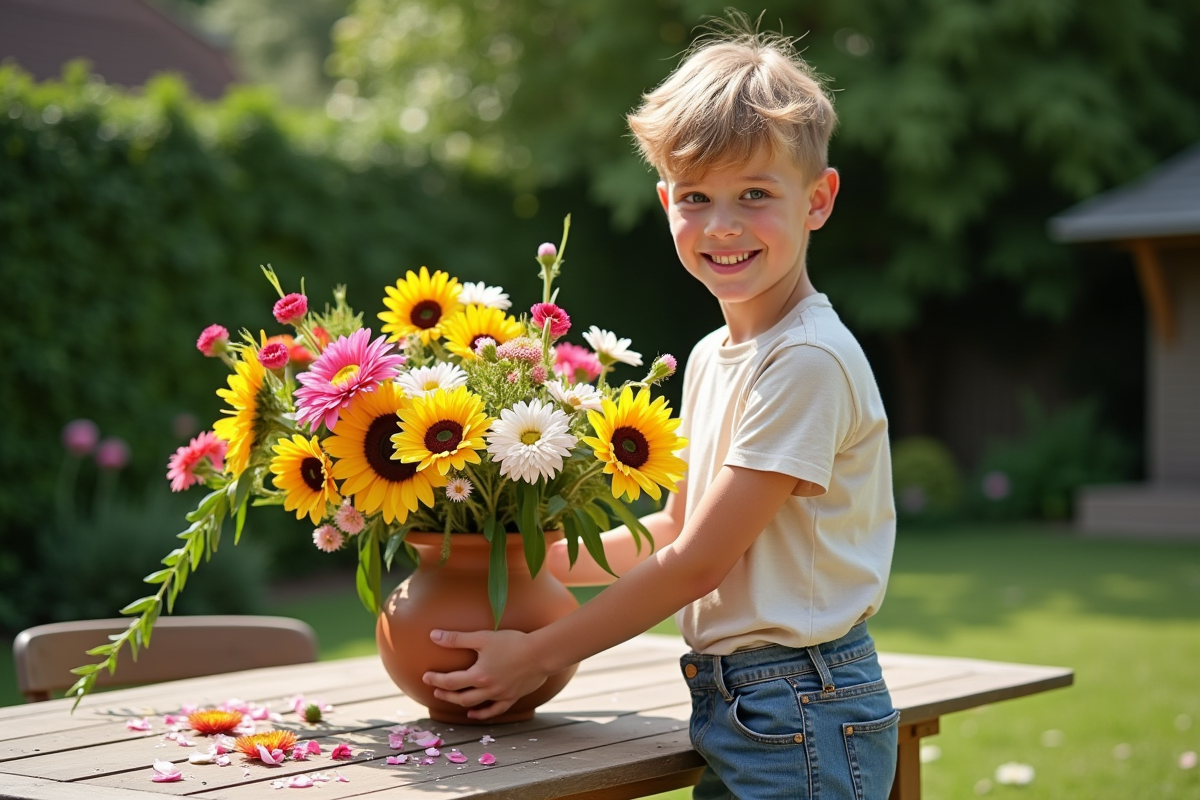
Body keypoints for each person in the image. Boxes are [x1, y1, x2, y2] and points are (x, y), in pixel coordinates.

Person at [423, 15, 898, 799]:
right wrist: (513, 556)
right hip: (750, 702)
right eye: (695, 197)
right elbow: (671, 530)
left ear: (819, 198)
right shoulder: (716, 354)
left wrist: (541, 653)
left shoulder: (805, 360)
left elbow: (701, 563)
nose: (721, 224)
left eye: (755, 194)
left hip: (804, 704)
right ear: (664, 200)